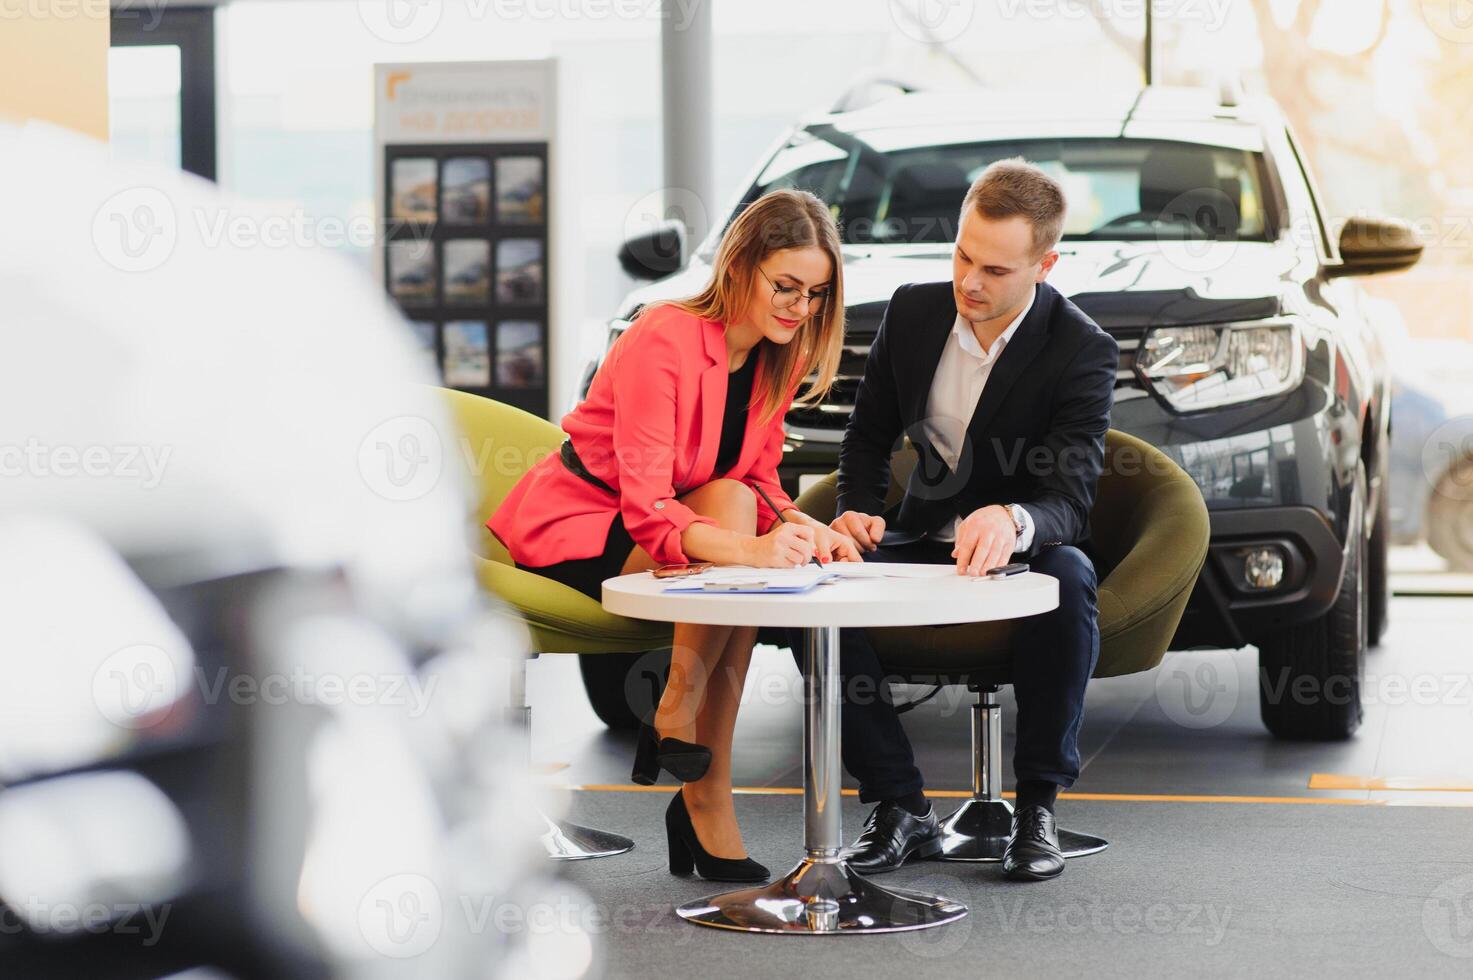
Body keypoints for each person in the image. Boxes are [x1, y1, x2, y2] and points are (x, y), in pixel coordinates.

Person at [489, 189, 860, 882]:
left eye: (814, 292)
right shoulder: (662, 334)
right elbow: (648, 507)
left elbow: (759, 480)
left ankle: (696, 778)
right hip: (579, 525)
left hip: (680, 529)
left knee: (736, 505)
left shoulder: (778, 356)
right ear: (739, 265)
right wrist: (750, 549)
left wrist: (808, 527)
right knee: (735, 527)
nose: (799, 307)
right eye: (784, 285)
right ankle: (681, 717)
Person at [819, 158, 1119, 881]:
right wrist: (856, 509)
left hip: (1024, 552)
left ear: (1044, 265)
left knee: (1068, 577)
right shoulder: (914, 312)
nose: (969, 282)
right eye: (960, 254)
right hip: (920, 538)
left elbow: (1071, 497)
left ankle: (1036, 807)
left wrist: (1013, 518)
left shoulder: (1081, 350)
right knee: (817, 592)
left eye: (994, 269)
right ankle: (899, 805)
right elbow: (865, 437)